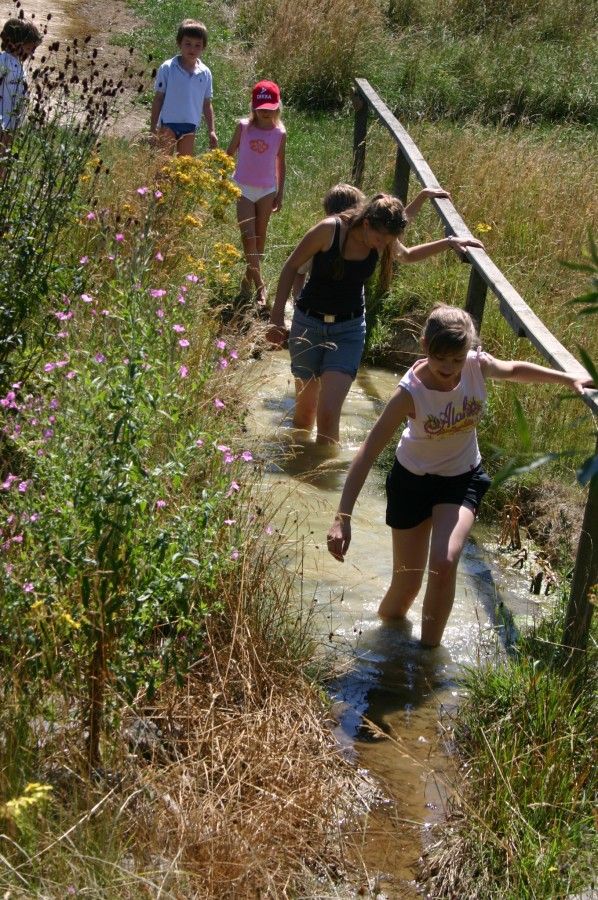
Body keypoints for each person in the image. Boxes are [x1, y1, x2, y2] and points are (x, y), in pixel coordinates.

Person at [326, 304, 594, 648]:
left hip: (461, 478)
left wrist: (568, 378)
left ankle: (427, 655)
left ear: (468, 351)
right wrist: (342, 518)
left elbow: (513, 370)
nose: (450, 370)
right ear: (425, 346)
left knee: (444, 560)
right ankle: (384, 645)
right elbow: (367, 454)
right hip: (411, 482)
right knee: (406, 586)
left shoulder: (475, 366)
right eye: (442, 360)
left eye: (457, 360)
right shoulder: (409, 393)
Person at [267, 193, 483, 446]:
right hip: (309, 324)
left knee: (328, 416)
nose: (382, 246)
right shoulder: (329, 230)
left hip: (348, 331)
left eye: (388, 241)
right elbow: (291, 266)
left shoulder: (382, 237)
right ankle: (301, 467)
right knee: (304, 416)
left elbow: (407, 255)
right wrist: (276, 317)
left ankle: (324, 480)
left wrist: (449, 242)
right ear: (366, 223)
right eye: (380, 239)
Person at [292, 183, 453, 299]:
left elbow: (396, 226)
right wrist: (299, 301)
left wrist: (423, 196)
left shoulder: (377, 235)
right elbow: (298, 270)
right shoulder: (325, 237)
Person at [227, 80, 286, 307]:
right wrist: (224, 177)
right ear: (253, 107)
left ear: (277, 107)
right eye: (261, 108)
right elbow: (229, 153)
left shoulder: (280, 133)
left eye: (270, 109)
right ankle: (261, 287)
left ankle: (247, 279)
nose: (265, 113)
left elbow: (282, 164)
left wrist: (279, 193)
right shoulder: (243, 127)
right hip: (242, 188)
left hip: (267, 190)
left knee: (260, 239)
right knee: (247, 237)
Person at [150, 19, 217, 157]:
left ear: (204, 47)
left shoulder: (205, 73)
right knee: (163, 165)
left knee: (184, 166)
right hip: (168, 124)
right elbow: (158, 99)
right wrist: (153, 128)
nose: (192, 49)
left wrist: (212, 130)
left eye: (197, 45)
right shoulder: (168, 68)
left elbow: (207, 104)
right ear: (179, 43)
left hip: (189, 126)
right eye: (188, 44)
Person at [0, 17, 42, 155]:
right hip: (2, 121)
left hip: (12, 122)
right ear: (14, 44)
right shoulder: (3, 61)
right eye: (29, 48)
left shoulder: (17, 63)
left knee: (5, 158)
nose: (31, 53)